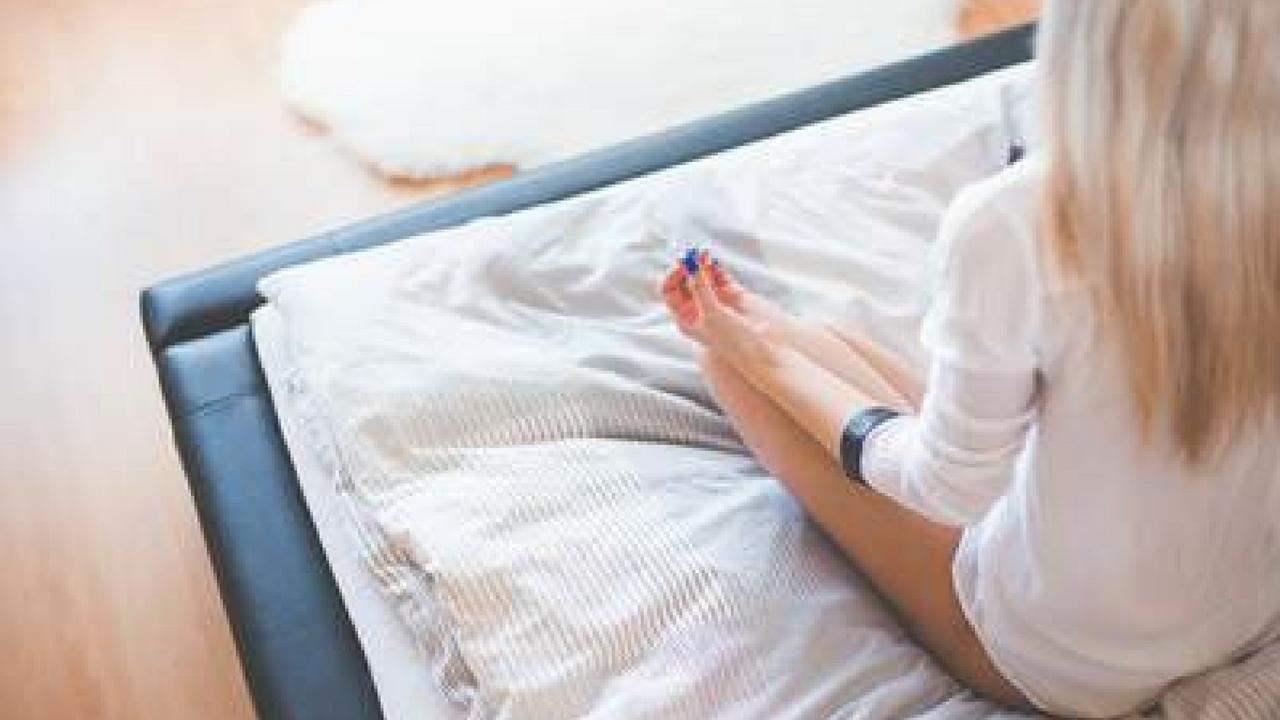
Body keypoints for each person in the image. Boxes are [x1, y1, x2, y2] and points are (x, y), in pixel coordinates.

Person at [659, 1, 1280, 716]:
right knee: (822, 343)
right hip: (1247, 612)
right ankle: (770, 337)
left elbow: (952, 490)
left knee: (732, 367)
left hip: (1075, 661)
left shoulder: (1025, 219)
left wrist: (765, 359)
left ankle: (760, 345)